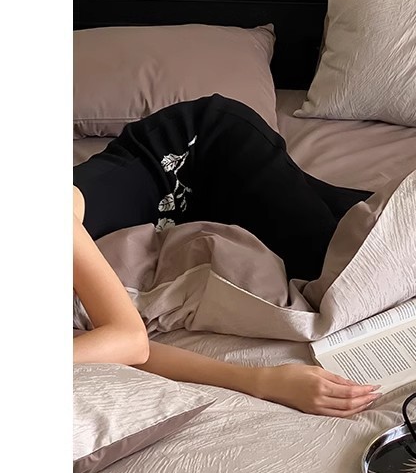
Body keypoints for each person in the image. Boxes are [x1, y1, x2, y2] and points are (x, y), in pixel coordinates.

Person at [73, 94, 381, 417]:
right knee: (352, 221)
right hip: (193, 212)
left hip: (201, 149)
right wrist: (263, 381)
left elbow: (130, 339)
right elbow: (127, 351)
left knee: (337, 264)